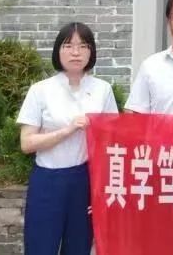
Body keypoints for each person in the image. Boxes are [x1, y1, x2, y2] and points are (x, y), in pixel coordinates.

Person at [17, 22, 118, 255]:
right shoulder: (40, 90)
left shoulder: (103, 89)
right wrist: (68, 130)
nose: (76, 52)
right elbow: (27, 143)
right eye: (68, 46)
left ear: (91, 52)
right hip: (48, 180)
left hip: (84, 180)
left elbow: (113, 138)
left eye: (83, 46)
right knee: (41, 246)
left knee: (79, 247)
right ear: (58, 51)